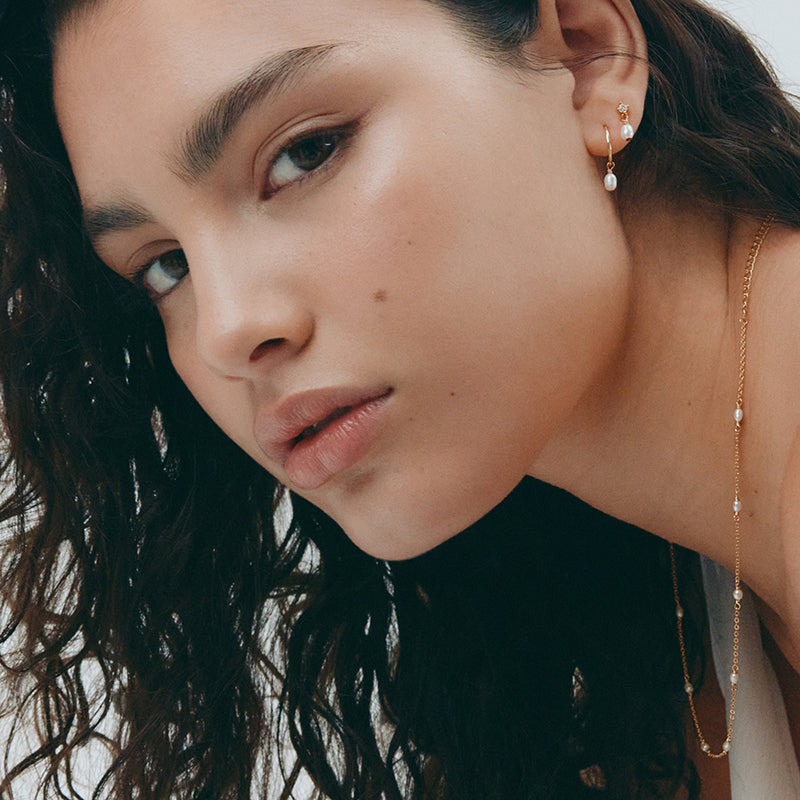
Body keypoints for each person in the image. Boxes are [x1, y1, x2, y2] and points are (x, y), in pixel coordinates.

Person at [2, 0, 800, 797]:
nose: (225, 330)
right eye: (165, 266)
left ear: (587, 57)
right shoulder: (666, 624)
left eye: (304, 154)